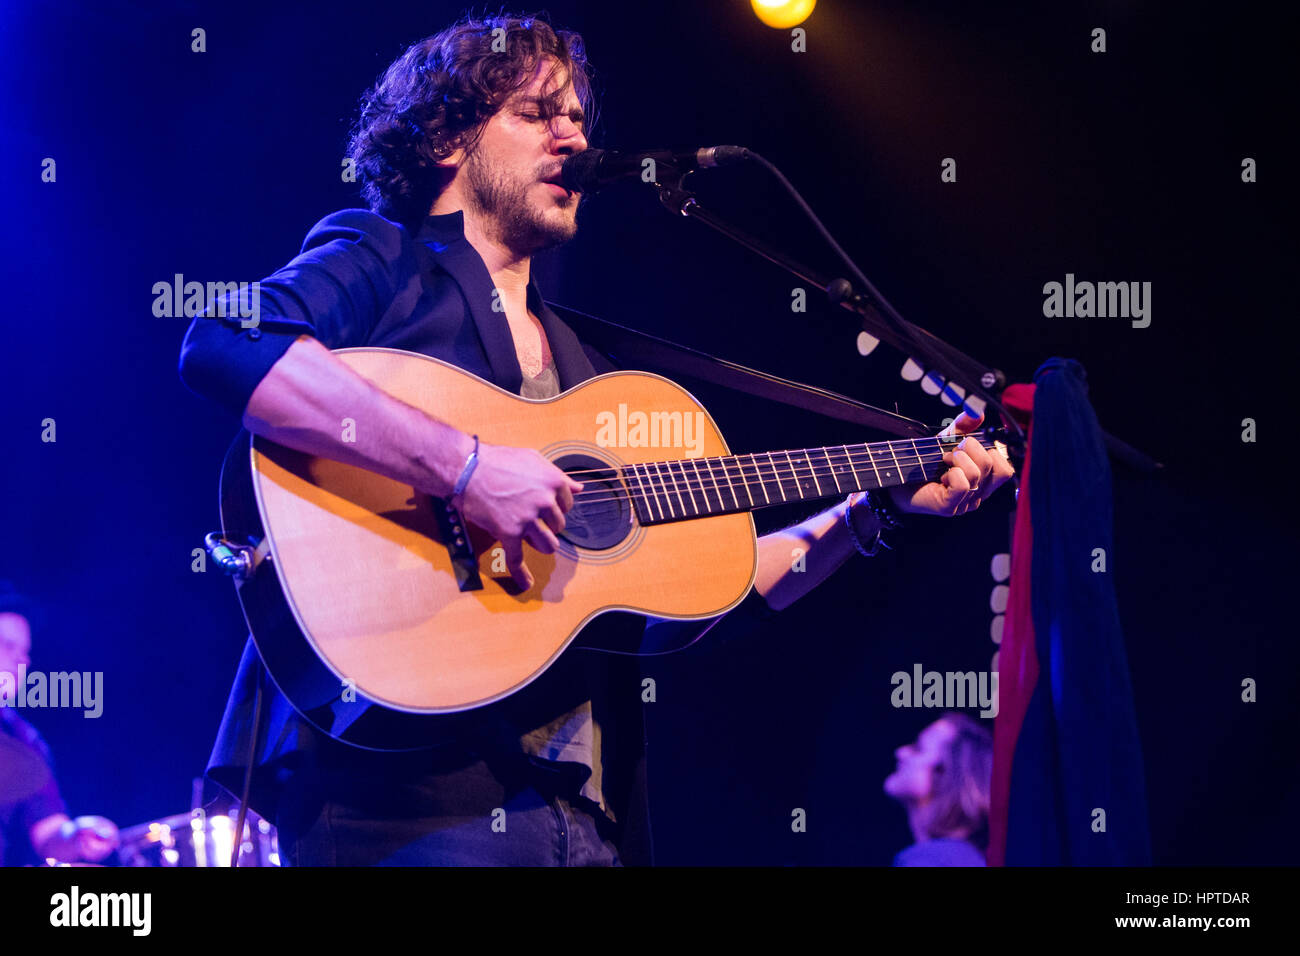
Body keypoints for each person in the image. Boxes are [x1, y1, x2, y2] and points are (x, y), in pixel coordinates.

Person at [178, 13, 1014, 866]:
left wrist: (874, 509)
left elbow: (706, 587)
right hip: (408, 803)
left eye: (577, 115)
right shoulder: (384, 257)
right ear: (446, 138)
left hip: (585, 820)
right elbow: (227, 343)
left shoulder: (594, 377)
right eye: (537, 112)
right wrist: (466, 469)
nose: (573, 132)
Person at [0, 583, 120, 866]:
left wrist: (79, 834)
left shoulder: (23, 739)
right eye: (8, 645)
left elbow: (47, 832)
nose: (23, 659)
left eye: (26, 651)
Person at [885, 712, 993, 866]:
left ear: (946, 773)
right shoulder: (958, 857)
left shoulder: (934, 859)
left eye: (918, 748)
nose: (901, 752)